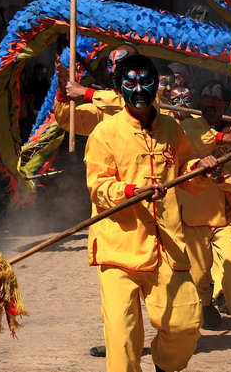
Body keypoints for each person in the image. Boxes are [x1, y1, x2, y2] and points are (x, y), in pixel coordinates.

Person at [84, 54, 220, 372]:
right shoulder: (105, 134)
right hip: (119, 248)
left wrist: (200, 170)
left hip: (167, 246)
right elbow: (99, 188)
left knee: (185, 326)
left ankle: (165, 365)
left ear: (157, 84)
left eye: (146, 81)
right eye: (130, 83)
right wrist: (132, 191)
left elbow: (184, 172)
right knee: (121, 340)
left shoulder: (172, 129)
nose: (139, 89)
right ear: (119, 88)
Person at [177, 80, 231, 342]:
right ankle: (204, 305)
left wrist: (221, 175)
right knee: (199, 273)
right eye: (204, 97)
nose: (209, 103)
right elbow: (195, 145)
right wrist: (222, 138)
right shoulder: (187, 127)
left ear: (225, 105)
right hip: (191, 217)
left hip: (222, 217)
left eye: (216, 99)